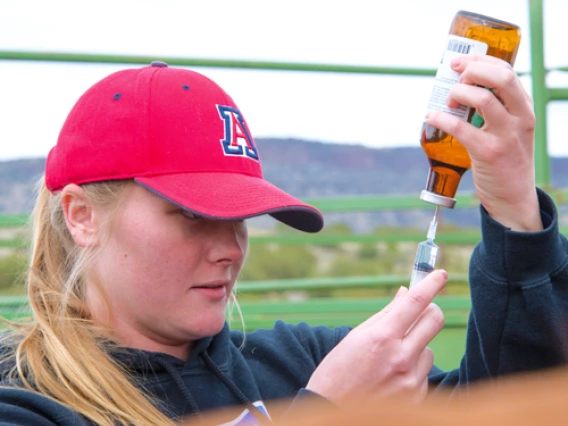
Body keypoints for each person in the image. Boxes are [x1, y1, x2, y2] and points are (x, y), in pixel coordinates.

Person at [0, 54, 566, 426]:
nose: (230, 248)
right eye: (191, 215)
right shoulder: (26, 400)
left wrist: (515, 211)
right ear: (81, 216)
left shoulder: (296, 360)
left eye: (241, 216)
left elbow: (507, 409)